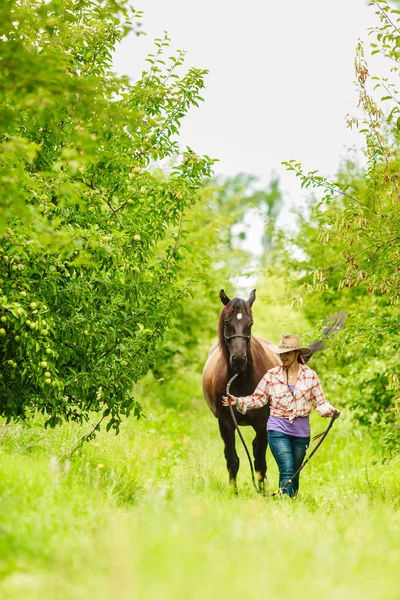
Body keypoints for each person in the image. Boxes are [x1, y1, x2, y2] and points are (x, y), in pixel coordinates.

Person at [222, 334, 340, 497]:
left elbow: (319, 402)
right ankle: (285, 505)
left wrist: (331, 411)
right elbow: (258, 399)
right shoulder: (272, 375)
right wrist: (239, 402)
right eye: (281, 353)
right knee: (287, 468)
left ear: (297, 354)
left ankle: (292, 501)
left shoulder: (310, 375)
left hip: (301, 431)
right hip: (278, 428)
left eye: (287, 353)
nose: (282, 357)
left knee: (295, 472)